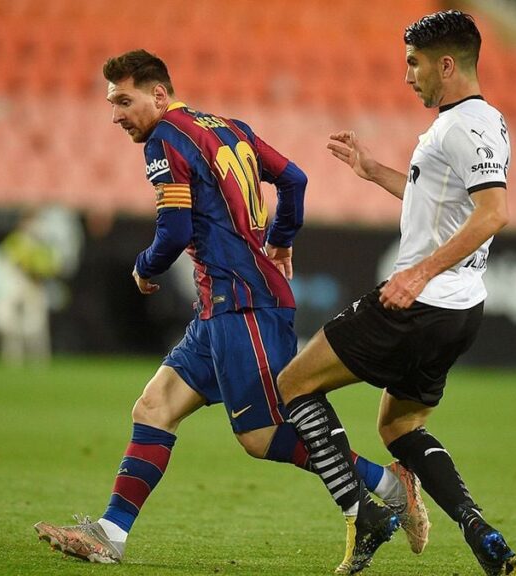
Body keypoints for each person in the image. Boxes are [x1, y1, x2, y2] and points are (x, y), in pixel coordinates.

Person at [33, 49, 429, 565]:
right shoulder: (229, 127)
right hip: (221, 305)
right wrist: (282, 239)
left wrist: (145, 268)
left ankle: (390, 488)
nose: (116, 115)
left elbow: (173, 231)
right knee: (154, 407)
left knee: (262, 436)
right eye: (111, 104)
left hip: (243, 303)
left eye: (124, 101)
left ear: (159, 94)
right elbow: (295, 179)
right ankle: (112, 533)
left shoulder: (165, 138)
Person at [276, 11, 516, 576]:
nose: (408, 75)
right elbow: (439, 203)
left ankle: (364, 510)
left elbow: (494, 213)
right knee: (400, 426)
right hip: (462, 310)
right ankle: (479, 529)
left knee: (293, 385)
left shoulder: (462, 127)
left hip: (419, 304)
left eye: (413, 63)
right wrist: (375, 171)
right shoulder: (485, 121)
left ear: (446, 64)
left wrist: (418, 275)